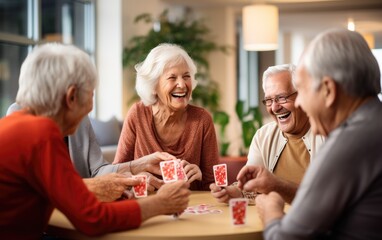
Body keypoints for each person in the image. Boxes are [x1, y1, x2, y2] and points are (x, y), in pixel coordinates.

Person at [0, 43, 190, 239]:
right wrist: (161, 203)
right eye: (91, 94)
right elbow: (93, 219)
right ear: (72, 97)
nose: (90, 108)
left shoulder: (16, 124)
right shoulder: (39, 132)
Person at [238, 28, 382, 239]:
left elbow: (286, 238)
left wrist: (271, 211)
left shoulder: (347, 144)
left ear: (328, 90)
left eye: (303, 90)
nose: (300, 103)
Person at [7, 103, 174, 201]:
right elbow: (37, 186)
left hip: (80, 214)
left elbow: (97, 170)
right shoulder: (19, 113)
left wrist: (139, 165)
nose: (88, 105)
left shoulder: (80, 115)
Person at [210, 64, 325, 204]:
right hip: (270, 220)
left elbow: (326, 197)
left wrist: (277, 185)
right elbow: (252, 187)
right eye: (269, 100)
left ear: (301, 95)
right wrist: (236, 192)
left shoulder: (327, 133)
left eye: (282, 97)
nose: (275, 107)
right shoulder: (262, 136)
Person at [113, 43, 219, 191]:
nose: (182, 84)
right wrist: (138, 179)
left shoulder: (202, 120)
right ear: (154, 86)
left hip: (188, 205)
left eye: (186, 76)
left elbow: (216, 185)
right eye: (172, 77)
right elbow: (116, 175)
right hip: (148, 207)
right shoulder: (137, 114)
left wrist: (200, 176)